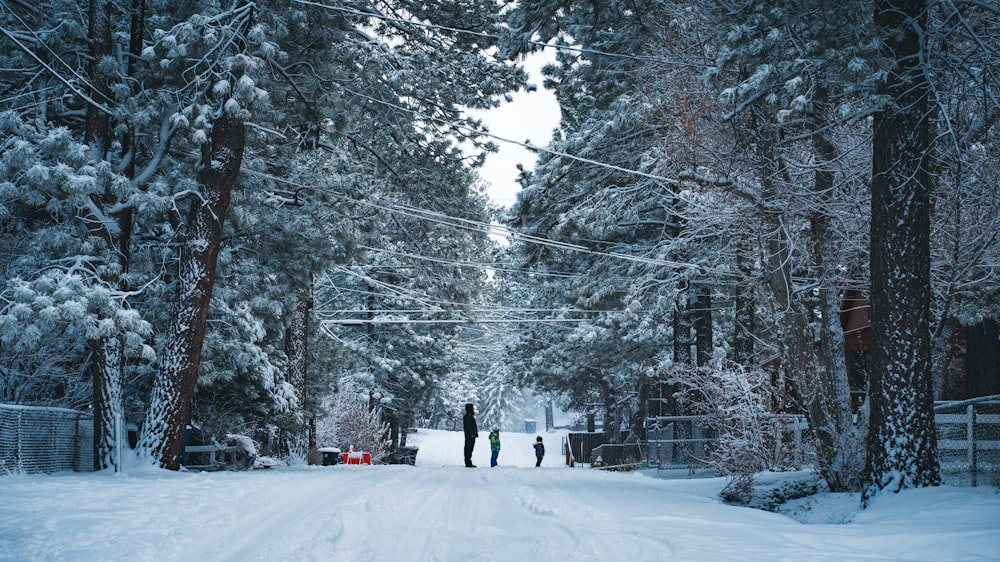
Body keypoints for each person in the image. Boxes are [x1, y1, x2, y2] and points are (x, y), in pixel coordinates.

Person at [463, 403, 479, 467]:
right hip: (470, 436)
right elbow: (469, 427)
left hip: (470, 435)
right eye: (472, 408)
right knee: (469, 448)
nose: (473, 409)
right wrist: (472, 434)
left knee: (469, 448)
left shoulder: (469, 416)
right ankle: (468, 462)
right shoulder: (468, 416)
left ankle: (468, 462)